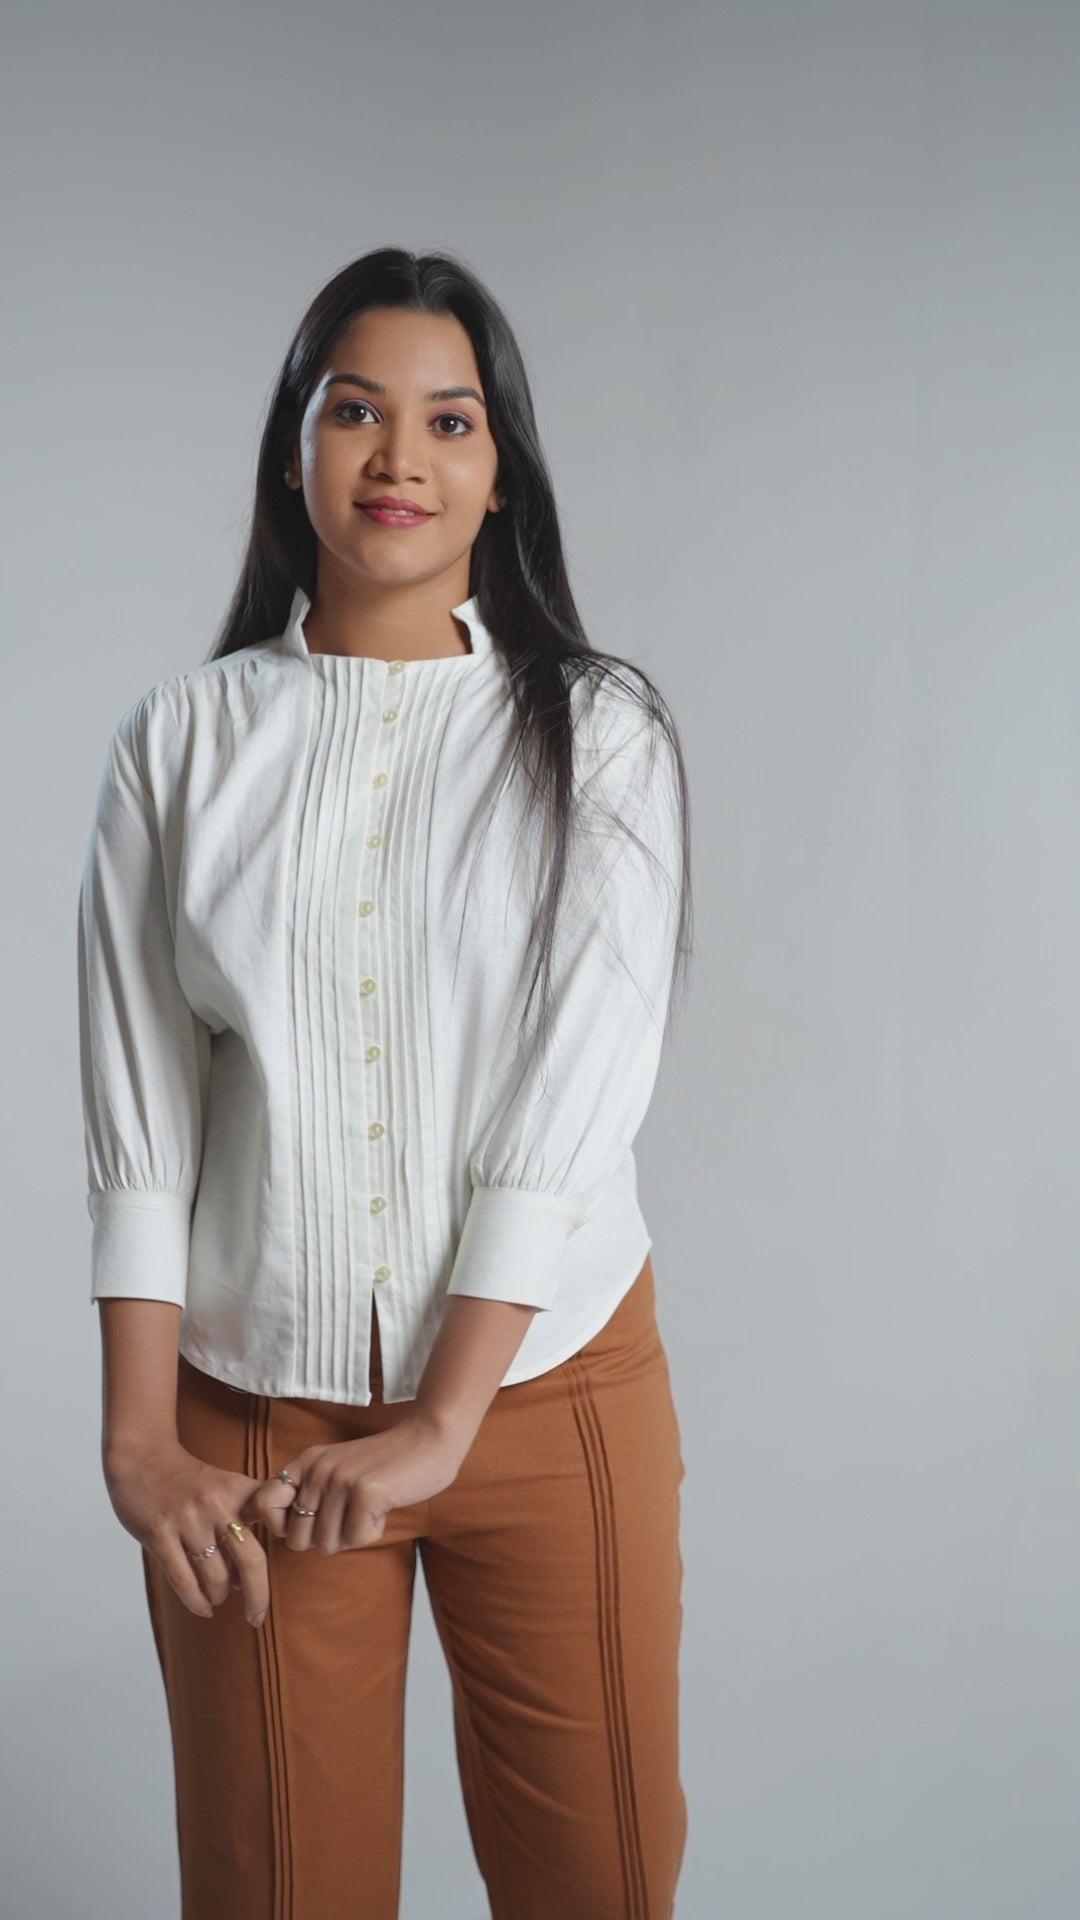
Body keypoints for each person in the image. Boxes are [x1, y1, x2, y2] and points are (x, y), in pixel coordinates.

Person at [76, 245, 695, 1920]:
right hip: (255, 1421)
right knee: (280, 1893)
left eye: (450, 420)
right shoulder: (178, 743)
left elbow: (566, 1114)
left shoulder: (600, 735)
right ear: (294, 455)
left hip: (548, 1392)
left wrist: (440, 1422)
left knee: (598, 1883)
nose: (400, 456)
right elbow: (141, 1123)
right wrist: (138, 1439)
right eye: (355, 412)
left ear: (501, 475)